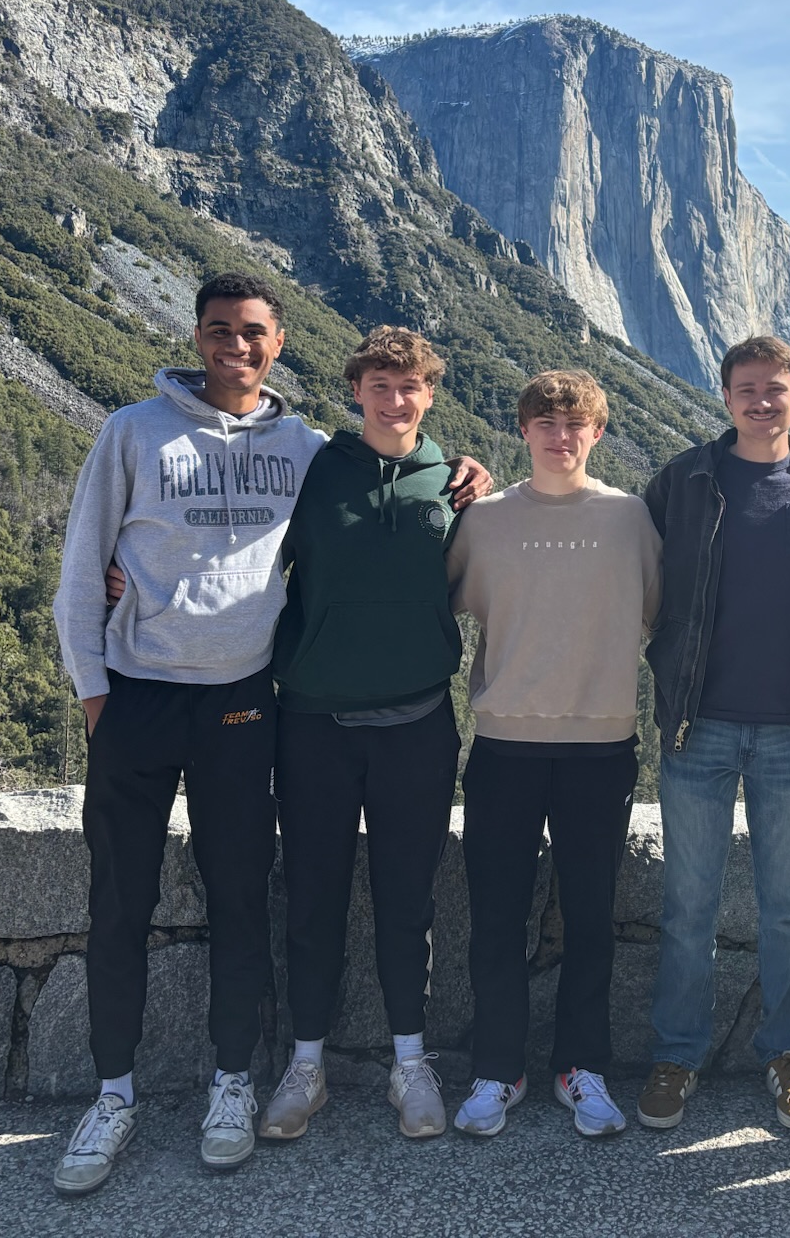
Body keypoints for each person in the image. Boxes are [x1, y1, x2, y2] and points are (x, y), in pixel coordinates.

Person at [48, 272, 321, 1196]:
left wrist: (466, 476)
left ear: (278, 342)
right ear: (195, 338)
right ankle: (113, 1095)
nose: (234, 347)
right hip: (138, 698)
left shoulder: (305, 447)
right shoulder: (133, 431)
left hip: (242, 700)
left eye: (251, 332)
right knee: (118, 900)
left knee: (241, 898)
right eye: (218, 331)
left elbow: (379, 496)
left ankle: (232, 1082)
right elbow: (83, 572)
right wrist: (96, 696)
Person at [635, 336, 790, 1135]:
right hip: (697, 728)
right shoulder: (684, 480)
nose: (760, 400)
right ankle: (677, 1054)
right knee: (687, 905)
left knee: (787, 910)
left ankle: (786, 1053)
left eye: (774, 387)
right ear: (725, 394)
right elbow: (637, 572)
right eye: (745, 388)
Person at [263, 325, 476, 1143]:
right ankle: (306, 1065)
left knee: (407, 900)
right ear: (357, 391)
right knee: (312, 897)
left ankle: (409, 1064)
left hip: (418, 723)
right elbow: (241, 561)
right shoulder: (311, 472)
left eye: (410, 386)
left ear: (430, 394)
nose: (395, 399)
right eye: (380, 385)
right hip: (312, 719)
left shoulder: (453, 485)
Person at [445, 370, 662, 1139]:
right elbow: (428, 606)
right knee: (496, 919)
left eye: (575, 424)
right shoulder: (484, 522)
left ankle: (582, 1068)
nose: (560, 436)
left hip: (601, 749)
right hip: (504, 746)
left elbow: (661, 618)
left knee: (592, 919)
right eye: (545, 422)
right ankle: (496, 1072)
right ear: (524, 431)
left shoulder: (630, 519)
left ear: (596, 434)